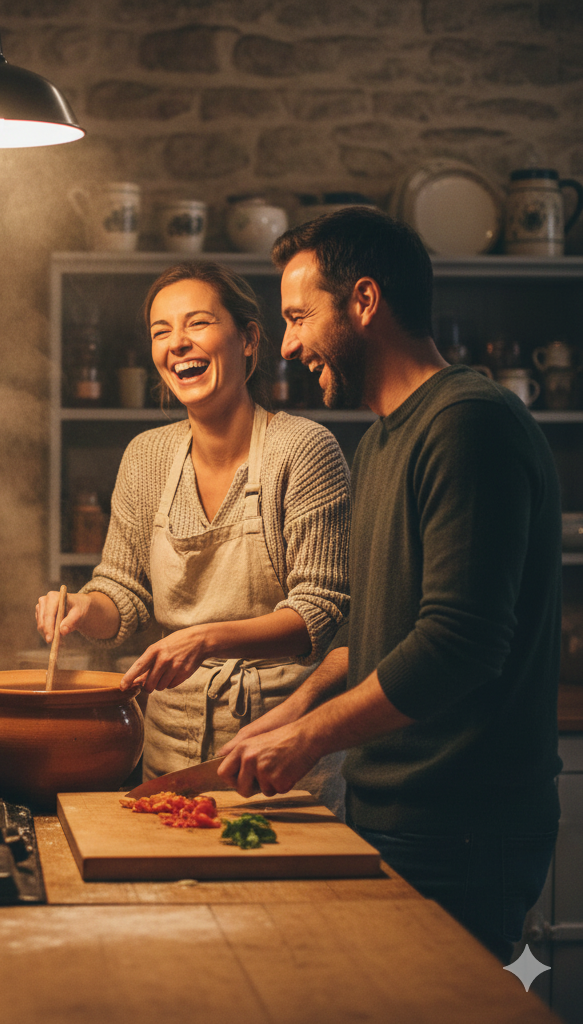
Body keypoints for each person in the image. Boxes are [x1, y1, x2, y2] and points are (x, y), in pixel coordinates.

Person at [216, 207, 562, 962]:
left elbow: (456, 644)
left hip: (463, 824)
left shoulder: (469, 424)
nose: (291, 344)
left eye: (300, 316)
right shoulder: (380, 442)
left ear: (364, 301)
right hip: (399, 811)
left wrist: (308, 741)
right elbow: (379, 630)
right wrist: (292, 712)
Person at [36, 261, 351, 816]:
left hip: (278, 753)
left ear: (249, 340)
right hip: (169, 752)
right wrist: (86, 605)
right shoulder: (146, 457)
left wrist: (204, 639)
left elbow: (318, 613)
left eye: (198, 323)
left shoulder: (302, 450)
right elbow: (125, 596)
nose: (177, 343)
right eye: (161, 332)